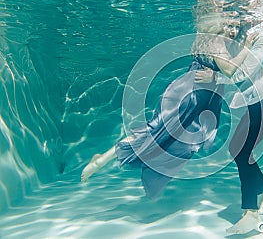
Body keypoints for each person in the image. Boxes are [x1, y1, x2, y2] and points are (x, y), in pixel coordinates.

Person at [80, 16, 238, 199]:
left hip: (198, 98)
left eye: (236, 27)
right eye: (230, 26)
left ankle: (146, 172)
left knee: (185, 144)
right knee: (156, 131)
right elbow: (232, 71)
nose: (234, 31)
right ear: (217, 25)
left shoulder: (206, 38)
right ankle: (101, 159)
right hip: (187, 95)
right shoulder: (218, 44)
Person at [195, 20, 263, 235]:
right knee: (237, 149)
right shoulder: (248, 35)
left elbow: (243, 73)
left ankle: (251, 214)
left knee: (241, 151)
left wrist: (214, 75)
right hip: (260, 104)